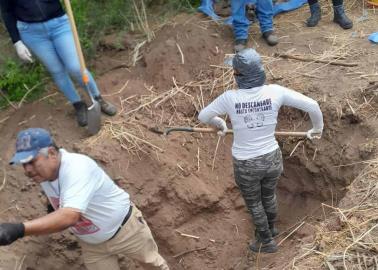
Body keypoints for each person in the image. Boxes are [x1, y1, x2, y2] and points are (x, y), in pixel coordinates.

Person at [198, 48, 323, 253]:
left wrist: (219, 122)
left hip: (246, 163)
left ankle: (265, 241)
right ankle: (271, 229)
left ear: (239, 75)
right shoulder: (275, 91)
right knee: (268, 195)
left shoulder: (229, 98)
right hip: (272, 158)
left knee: (254, 202)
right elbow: (312, 105)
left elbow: (203, 116)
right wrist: (317, 129)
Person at [0, 128, 169, 270]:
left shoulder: (77, 168)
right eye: (23, 164)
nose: (27, 170)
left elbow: (69, 217)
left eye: (32, 161)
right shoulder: (45, 174)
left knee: (153, 265)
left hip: (126, 231)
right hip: (92, 244)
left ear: (51, 153)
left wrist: (19, 230)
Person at [0, 0, 117, 127]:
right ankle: (78, 103)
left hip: (59, 25)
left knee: (75, 67)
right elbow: (6, 12)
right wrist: (16, 41)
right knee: (57, 71)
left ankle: (98, 98)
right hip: (31, 33)